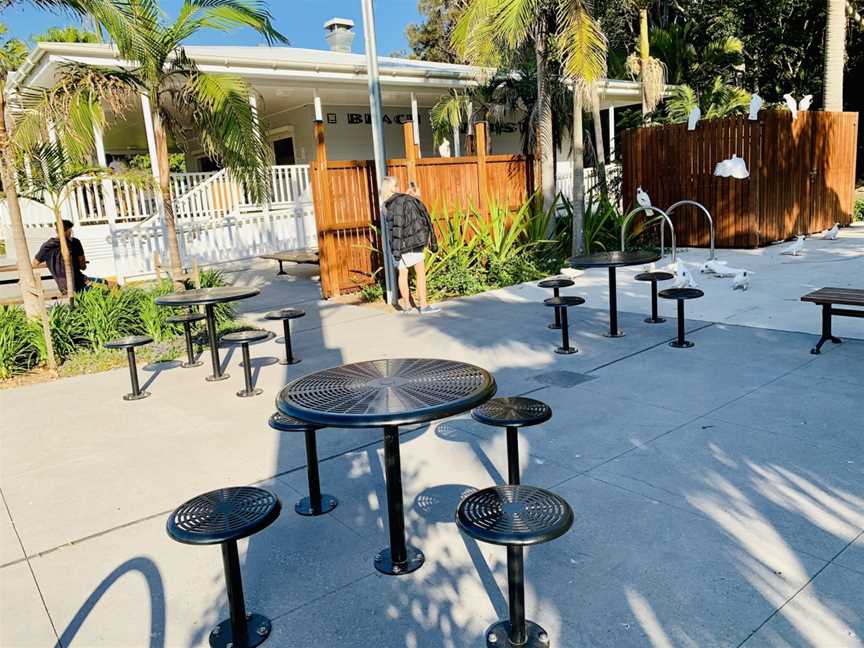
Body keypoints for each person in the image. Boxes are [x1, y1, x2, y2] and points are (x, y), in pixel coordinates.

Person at [380, 176, 440, 314]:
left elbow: (399, 209)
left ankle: (407, 306)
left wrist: (407, 195)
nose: (398, 187)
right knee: (420, 273)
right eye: (396, 185)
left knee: (402, 273)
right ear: (392, 187)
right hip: (411, 242)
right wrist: (416, 196)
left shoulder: (385, 205)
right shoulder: (405, 200)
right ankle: (423, 305)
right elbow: (416, 213)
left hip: (396, 244)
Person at [32, 219, 90, 294]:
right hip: (79, 282)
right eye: (70, 230)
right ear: (68, 231)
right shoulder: (75, 242)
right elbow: (83, 266)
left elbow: (34, 263)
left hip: (63, 286)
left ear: (56, 231)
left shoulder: (47, 246)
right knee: (103, 284)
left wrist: (51, 262)